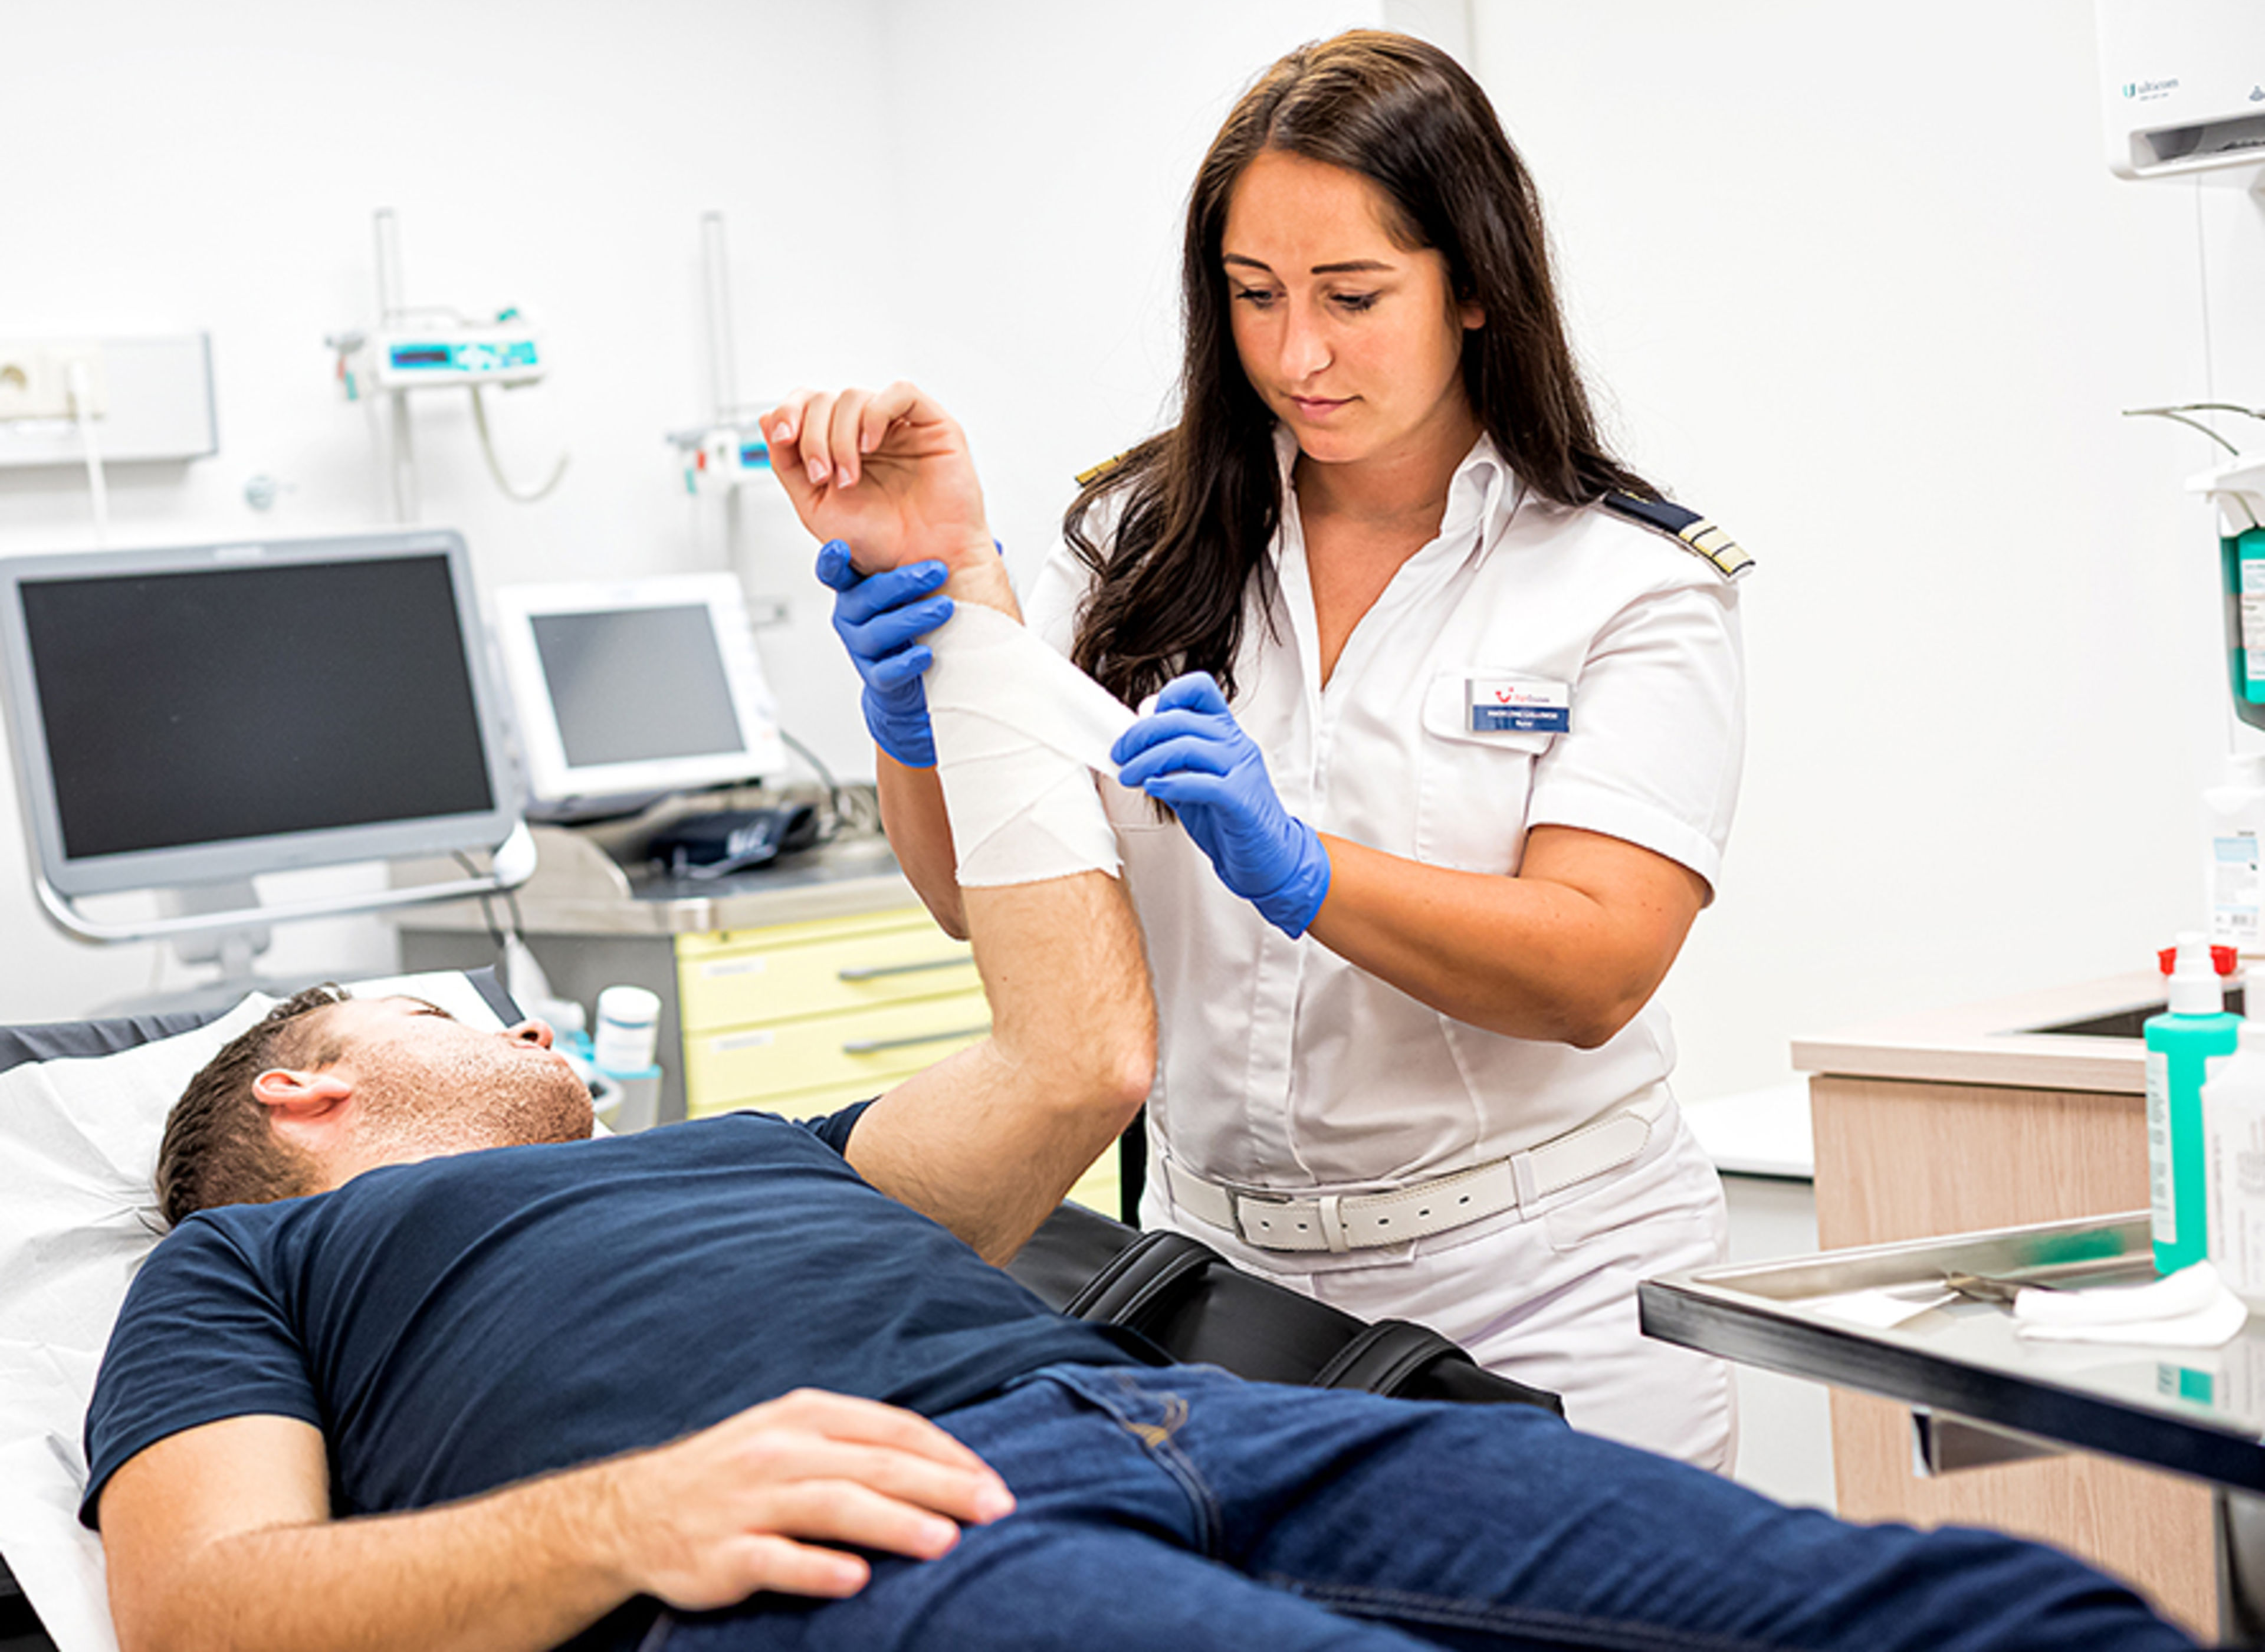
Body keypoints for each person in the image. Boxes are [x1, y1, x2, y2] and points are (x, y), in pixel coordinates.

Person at [84, 488, 2192, 1652]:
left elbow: (1082, 1057)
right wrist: (648, 1511)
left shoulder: (754, 1152)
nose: (528, 1024)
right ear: (310, 1095)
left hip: (1202, 1418)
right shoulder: (248, 1282)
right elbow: (206, 1620)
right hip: (857, 1543)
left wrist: (962, 658)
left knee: (1966, 1609)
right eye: (451, 1015)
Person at [798, 29, 1751, 1470]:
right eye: (1255, 297)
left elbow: (1594, 969)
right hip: (1214, 1284)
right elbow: (970, 900)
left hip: (1538, 1280)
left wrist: (1310, 874)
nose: (1297, 353)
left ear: (1477, 285)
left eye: (1353, 297)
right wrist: (918, 729)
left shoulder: (1623, 582)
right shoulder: (1137, 543)